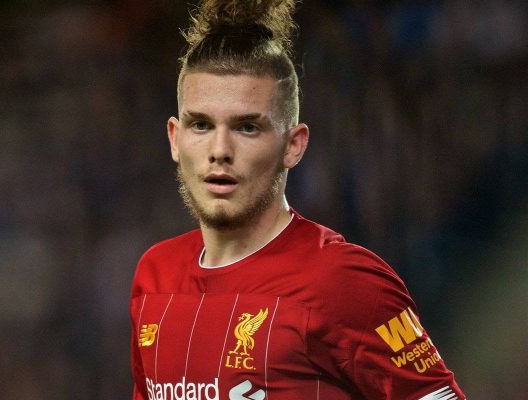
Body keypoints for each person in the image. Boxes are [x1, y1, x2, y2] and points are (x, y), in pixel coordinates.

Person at [130, 1, 465, 399]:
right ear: (174, 138)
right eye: (201, 125)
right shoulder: (155, 277)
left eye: (247, 127)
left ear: (293, 146)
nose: (219, 149)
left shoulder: (343, 283)